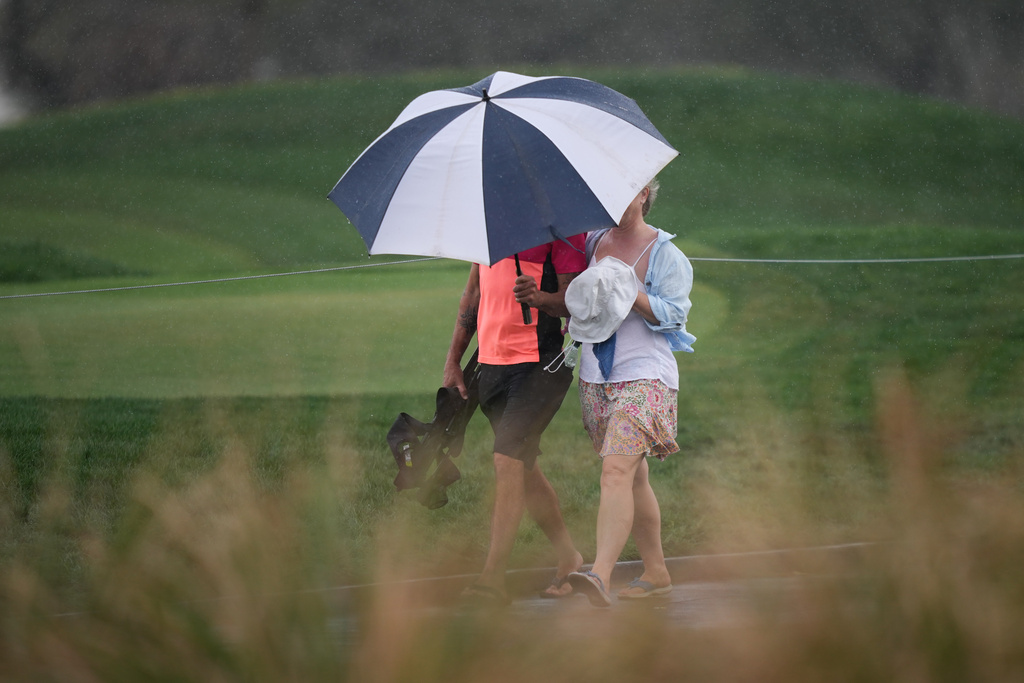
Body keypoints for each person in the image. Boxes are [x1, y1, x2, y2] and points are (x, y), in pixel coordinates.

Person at [567, 179, 696, 607]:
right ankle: (657, 571)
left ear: (645, 194)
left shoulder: (664, 253)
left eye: (626, 192)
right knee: (634, 476)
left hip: (646, 375)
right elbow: (578, 303)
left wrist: (630, 292)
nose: (615, 202)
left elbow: (675, 316)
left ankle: (600, 575)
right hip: (595, 377)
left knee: (615, 473)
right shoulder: (590, 242)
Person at [443, 237, 587, 604]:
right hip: (489, 367)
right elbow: (471, 296)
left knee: (507, 458)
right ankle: (569, 556)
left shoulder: (562, 231)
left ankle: (492, 578)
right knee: (522, 466)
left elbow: (575, 300)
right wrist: (453, 361)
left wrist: (540, 299)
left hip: (539, 366)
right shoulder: (484, 230)